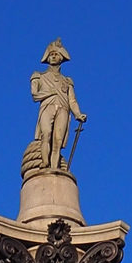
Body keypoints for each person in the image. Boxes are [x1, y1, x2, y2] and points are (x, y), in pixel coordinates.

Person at [30, 38, 87, 169]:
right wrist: (51, 92)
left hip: (63, 109)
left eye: (56, 54)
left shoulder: (67, 81)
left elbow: (72, 100)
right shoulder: (39, 76)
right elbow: (35, 96)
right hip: (47, 107)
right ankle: (45, 162)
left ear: (61, 57)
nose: (53, 57)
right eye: (51, 54)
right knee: (46, 134)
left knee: (58, 140)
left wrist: (78, 114)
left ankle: (54, 167)